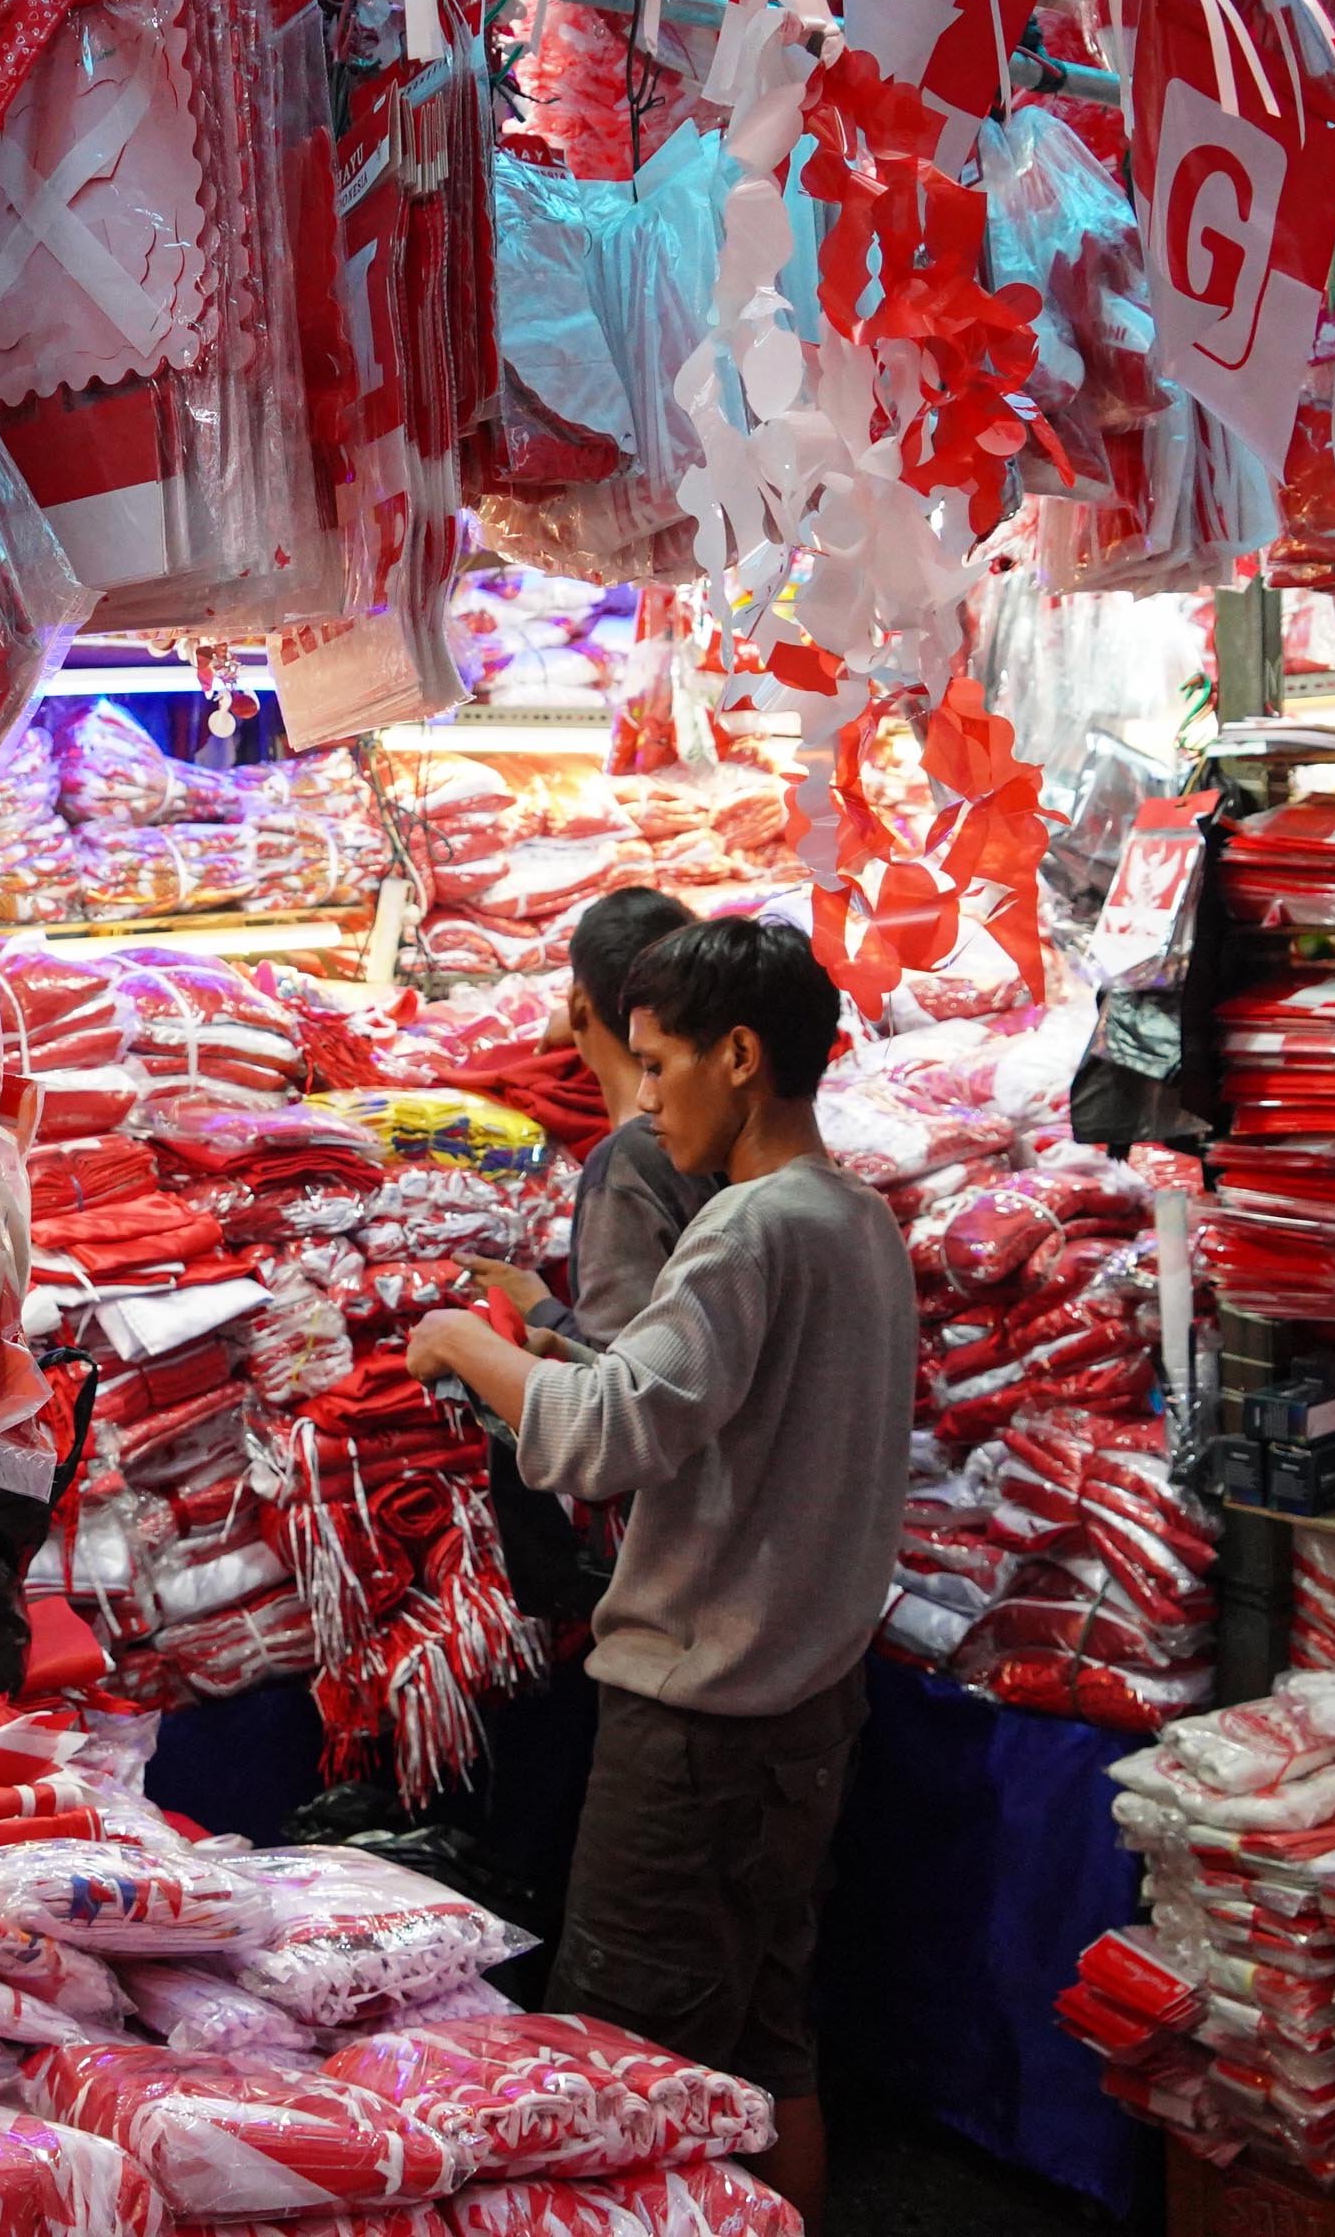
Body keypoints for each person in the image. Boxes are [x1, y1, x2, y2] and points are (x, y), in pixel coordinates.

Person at [404, 917, 914, 2219]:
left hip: (700, 1729)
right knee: (765, 2036)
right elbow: (690, 1408)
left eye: (657, 1064)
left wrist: (469, 1340)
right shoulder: (855, 1219)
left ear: (739, 1055)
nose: (639, 1101)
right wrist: (558, 1343)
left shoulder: (747, 1230)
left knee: (621, 2070)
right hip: (809, 1707)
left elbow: (602, 1441)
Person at [465, 887, 721, 1346]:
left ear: (580, 1005)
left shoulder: (631, 1160)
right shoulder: (727, 1117)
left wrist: (536, 1305)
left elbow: (625, 1378)